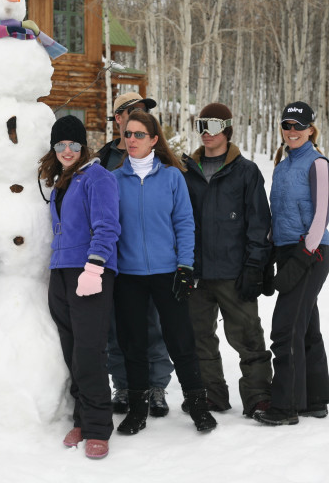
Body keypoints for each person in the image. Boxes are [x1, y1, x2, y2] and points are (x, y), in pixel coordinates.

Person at [112, 110, 216, 435]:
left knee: (180, 339)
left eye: (139, 134)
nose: (131, 140)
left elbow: (185, 223)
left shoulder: (172, 177)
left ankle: (198, 406)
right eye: (128, 134)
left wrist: (185, 266)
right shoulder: (114, 180)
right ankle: (137, 410)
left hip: (168, 272)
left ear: (154, 140)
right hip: (128, 276)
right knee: (134, 344)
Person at [182, 102, 273, 418]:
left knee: (248, 336)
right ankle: (211, 395)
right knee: (199, 339)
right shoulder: (185, 172)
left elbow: (260, 224)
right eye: (201, 125)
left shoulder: (245, 172)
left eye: (214, 126)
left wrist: (254, 267)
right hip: (196, 273)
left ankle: (259, 396)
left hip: (234, 273)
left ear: (228, 129)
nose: (206, 133)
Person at [39, 116, 120, 460]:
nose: (67, 150)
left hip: (88, 271)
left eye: (73, 144)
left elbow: (107, 224)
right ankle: (82, 419)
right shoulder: (61, 181)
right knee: (73, 350)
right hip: (60, 271)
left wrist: (95, 266)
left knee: (89, 350)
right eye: (61, 145)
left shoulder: (98, 177)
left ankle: (99, 427)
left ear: (83, 146)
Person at [254, 101, 329, 426]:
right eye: (287, 125)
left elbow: (321, 216)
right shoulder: (282, 166)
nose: (292, 131)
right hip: (287, 252)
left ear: (311, 129)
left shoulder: (318, 165)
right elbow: (277, 216)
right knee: (306, 327)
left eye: (298, 126)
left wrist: (303, 255)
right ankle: (315, 399)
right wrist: (270, 254)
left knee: (285, 330)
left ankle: (285, 406)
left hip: (310, 254)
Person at [98, 92, 174, 418]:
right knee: (118, 328)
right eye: (131, 112)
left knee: (154, 326)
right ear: (117, 118)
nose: (139, 115)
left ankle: (156, 387)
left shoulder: (164, 160)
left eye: (143, 111)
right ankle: (123, 385)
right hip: (116, 261)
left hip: (156, 260)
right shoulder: (101, 161)